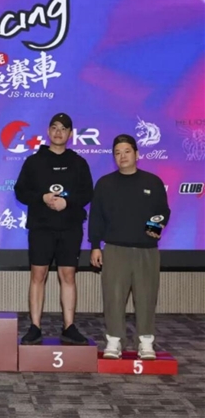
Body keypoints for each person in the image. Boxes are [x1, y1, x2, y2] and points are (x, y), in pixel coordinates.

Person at [14, 113, 94, 346]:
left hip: (70, 228)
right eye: (55, 128)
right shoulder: (33, 161)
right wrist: (42, 197)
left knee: (68, 276)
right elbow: (20, 191)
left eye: (64, 129)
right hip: (41, 227)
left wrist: (67, 203)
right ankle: (35, 327)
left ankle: (69, 326)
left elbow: (87, 193)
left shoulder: (79, 162)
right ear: (48, 132)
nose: (59, 132)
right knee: (38, 275)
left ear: (70, 134)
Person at [89, 134, 170, 360]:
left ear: (137, 154)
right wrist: (95, 246)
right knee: (113, 298)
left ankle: (145, 342)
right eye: (117, 153)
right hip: (115, 250)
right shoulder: (105, 184)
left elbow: (163, 211)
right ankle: (114, 341)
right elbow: (96, 217)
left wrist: (155, 227)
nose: (122, 156)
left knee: (146, 297)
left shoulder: (152, 182)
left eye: (126, 151)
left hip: (147, 251)